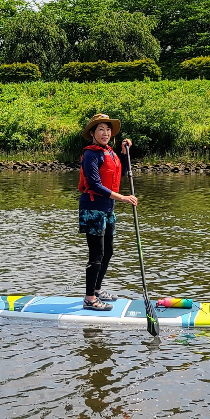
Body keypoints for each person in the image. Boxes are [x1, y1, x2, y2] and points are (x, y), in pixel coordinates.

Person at [78, 113, 136, 310]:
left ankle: (97, 289)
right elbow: (94, 184)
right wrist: (122, 198)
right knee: (97, 254)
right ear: (93, 133)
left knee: (108, 252)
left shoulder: (109, 152)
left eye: (108, 129)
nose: (105, 133)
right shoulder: (90, 154)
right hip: (93, 209)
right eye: (101, 129)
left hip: (108, 209)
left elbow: (123, 170)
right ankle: (89, 299)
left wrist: (124, 153)